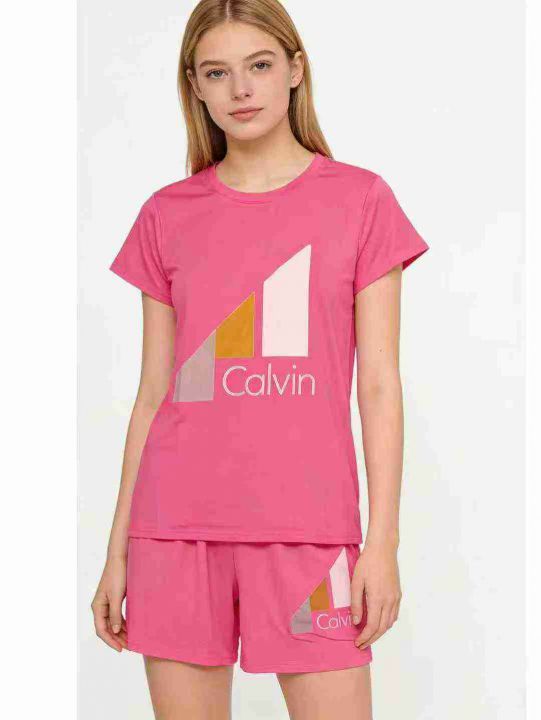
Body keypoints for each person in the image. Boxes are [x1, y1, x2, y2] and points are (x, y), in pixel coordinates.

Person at [91, 1, 429, 717]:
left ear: (295, 71)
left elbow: (378, 385)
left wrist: (382, 544)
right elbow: (153, 394)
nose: (241, 89)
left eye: (260, 65)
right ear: (195, 87)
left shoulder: (360, 201)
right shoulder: (167, 213)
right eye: (217, 73)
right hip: (174, 531)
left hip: (311, 533)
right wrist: (117, 550)